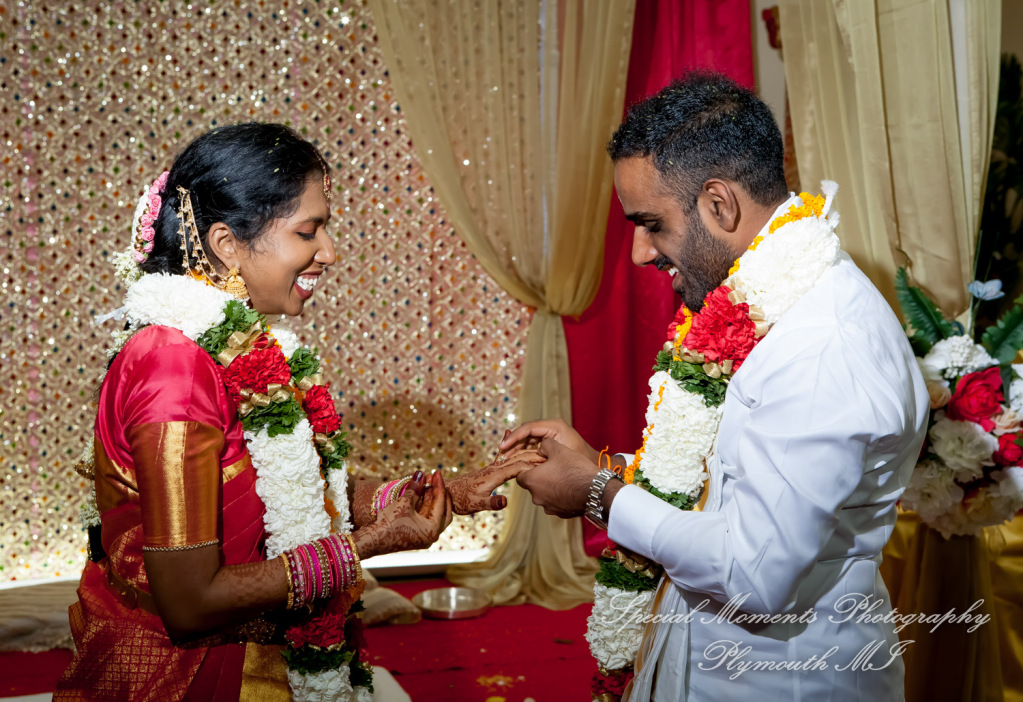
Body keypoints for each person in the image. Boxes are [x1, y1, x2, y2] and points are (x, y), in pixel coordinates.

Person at [55, 123, 524, 701]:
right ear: (228, 245)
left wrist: (437, 492)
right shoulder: (172, 366)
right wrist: (370, 546)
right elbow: (190, 603)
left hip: (257, 662)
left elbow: (283, 492)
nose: (329, 252)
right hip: (184, 679)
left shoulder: (237, 347)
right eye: (309, 230)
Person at [502, 73, 929, 700]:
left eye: (651, 224)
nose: (640, 254)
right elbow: (735, 482)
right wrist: (603, 466)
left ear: (719, 204)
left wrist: (598, 495)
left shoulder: (819, 341)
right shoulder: (771, 301)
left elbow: (755, 577)